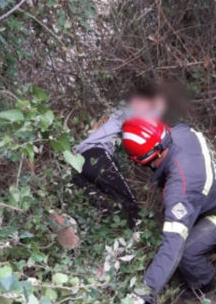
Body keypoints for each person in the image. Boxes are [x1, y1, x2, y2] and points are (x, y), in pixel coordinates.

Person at [121, 117, 216, 304]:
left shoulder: (181, 189)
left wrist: (144, 292)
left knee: (186, 251)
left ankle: (206, 287)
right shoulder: (181, 132)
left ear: (147, 158)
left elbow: (173, 246)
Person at [72, 90, 167, 228]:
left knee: (103, 208)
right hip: (95, 154)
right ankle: (138, 235)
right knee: (130, 203)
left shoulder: (112, 114)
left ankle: (108, 233)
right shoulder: (130, 112)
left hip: (76, 161)